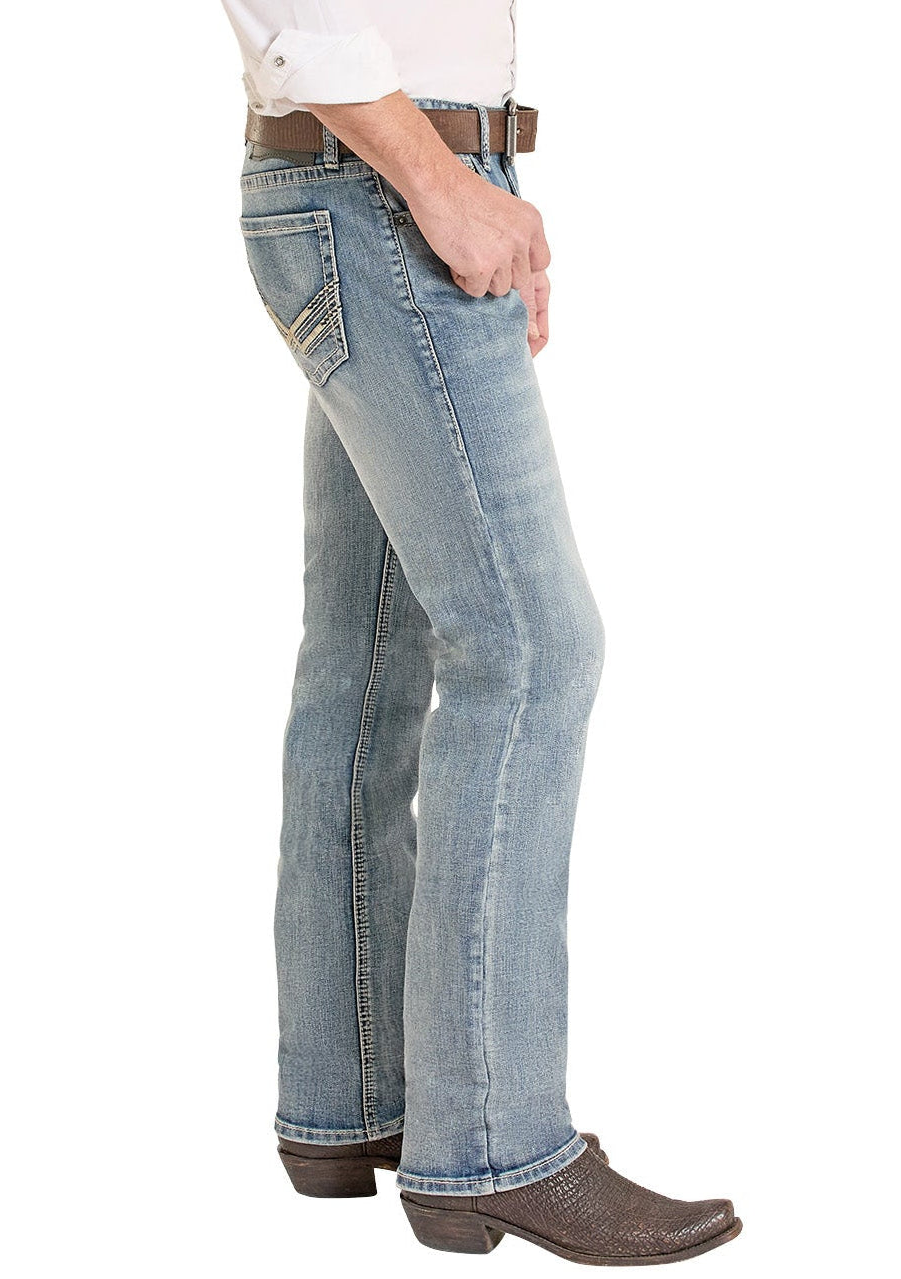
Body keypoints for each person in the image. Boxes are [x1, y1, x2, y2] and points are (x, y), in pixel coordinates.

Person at [220, 0, 742, 1264]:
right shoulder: (409, 177)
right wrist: (441, 183)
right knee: (528, 650)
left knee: (366, 652)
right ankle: (494, 1145)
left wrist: (468, 182)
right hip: (384, 183)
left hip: (368, 178)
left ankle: (351, 1096)